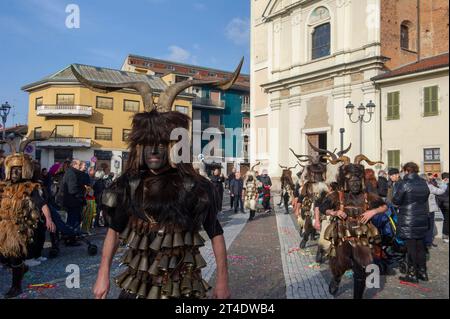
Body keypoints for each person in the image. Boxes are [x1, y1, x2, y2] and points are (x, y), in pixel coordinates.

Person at [87, 58, 242, 300]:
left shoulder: (196, 187)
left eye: (162, 143)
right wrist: (102, 274)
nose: (154, 150)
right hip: (138, 286)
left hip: (181, 289)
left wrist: (222, 281)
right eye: (148, 143)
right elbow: (114, 232)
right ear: (140, 146)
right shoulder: (129, 185)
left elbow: (216, 233)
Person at [319, 154, 387, 299]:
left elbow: (384, 206)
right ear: (346, 182)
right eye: (352, 182)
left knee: (361, 270)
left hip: (361, 240)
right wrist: (335, 211)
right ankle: (336, 278)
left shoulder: (368, 195)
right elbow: (322, 207)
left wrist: (373, 212)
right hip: (342, 238)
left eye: (357, 181)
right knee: (340, 265)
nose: (355, 185)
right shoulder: (337, 196)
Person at [0, 139, 55, 298]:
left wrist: (49, 219)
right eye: (13, 169)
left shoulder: (30, 188)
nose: (15, 173)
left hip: (19, 228)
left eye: (19, 169)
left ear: (24, 170)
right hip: (3, 227)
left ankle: (16, 286)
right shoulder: (4, 186)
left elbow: (42, 204)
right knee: (4, 258)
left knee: (15, 255)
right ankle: (21, 268)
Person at [393, 163, 431, 283]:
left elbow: (396, 200)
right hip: (422, 217)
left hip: (409, 219)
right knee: (420, 246)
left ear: (406, 170)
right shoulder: (423, 182)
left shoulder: (405, 183)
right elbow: (426, 197)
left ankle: (412, 274)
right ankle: (422, 272)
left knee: (411, 248)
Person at [60, 159, 85, 246]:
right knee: (72, 221)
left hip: (72, 201)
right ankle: (70, 239)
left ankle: (70, 237)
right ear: (74, 165)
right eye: (79, 164)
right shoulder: (72, 173)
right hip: (73, 201)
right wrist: (80, 197)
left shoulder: (71, 172)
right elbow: (72, 189)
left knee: (72, 220)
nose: (80, 165)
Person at [422, 173, 447, 249]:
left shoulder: (417, 187)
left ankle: (423, 243)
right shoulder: (429, 187)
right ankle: (428, 243)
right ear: (426, 179)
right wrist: (443, 183)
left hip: (421, 210)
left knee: (423, 227)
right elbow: (441, 191)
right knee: (430, 227)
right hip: (430, 209)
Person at [437, 172, 449, 243]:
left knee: (446, 220)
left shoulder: (440, 184)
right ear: (446, 179)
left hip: (443, 205)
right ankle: (445, 236)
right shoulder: (445, 185)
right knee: (447, 221)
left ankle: (445, 235)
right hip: (446, 205)